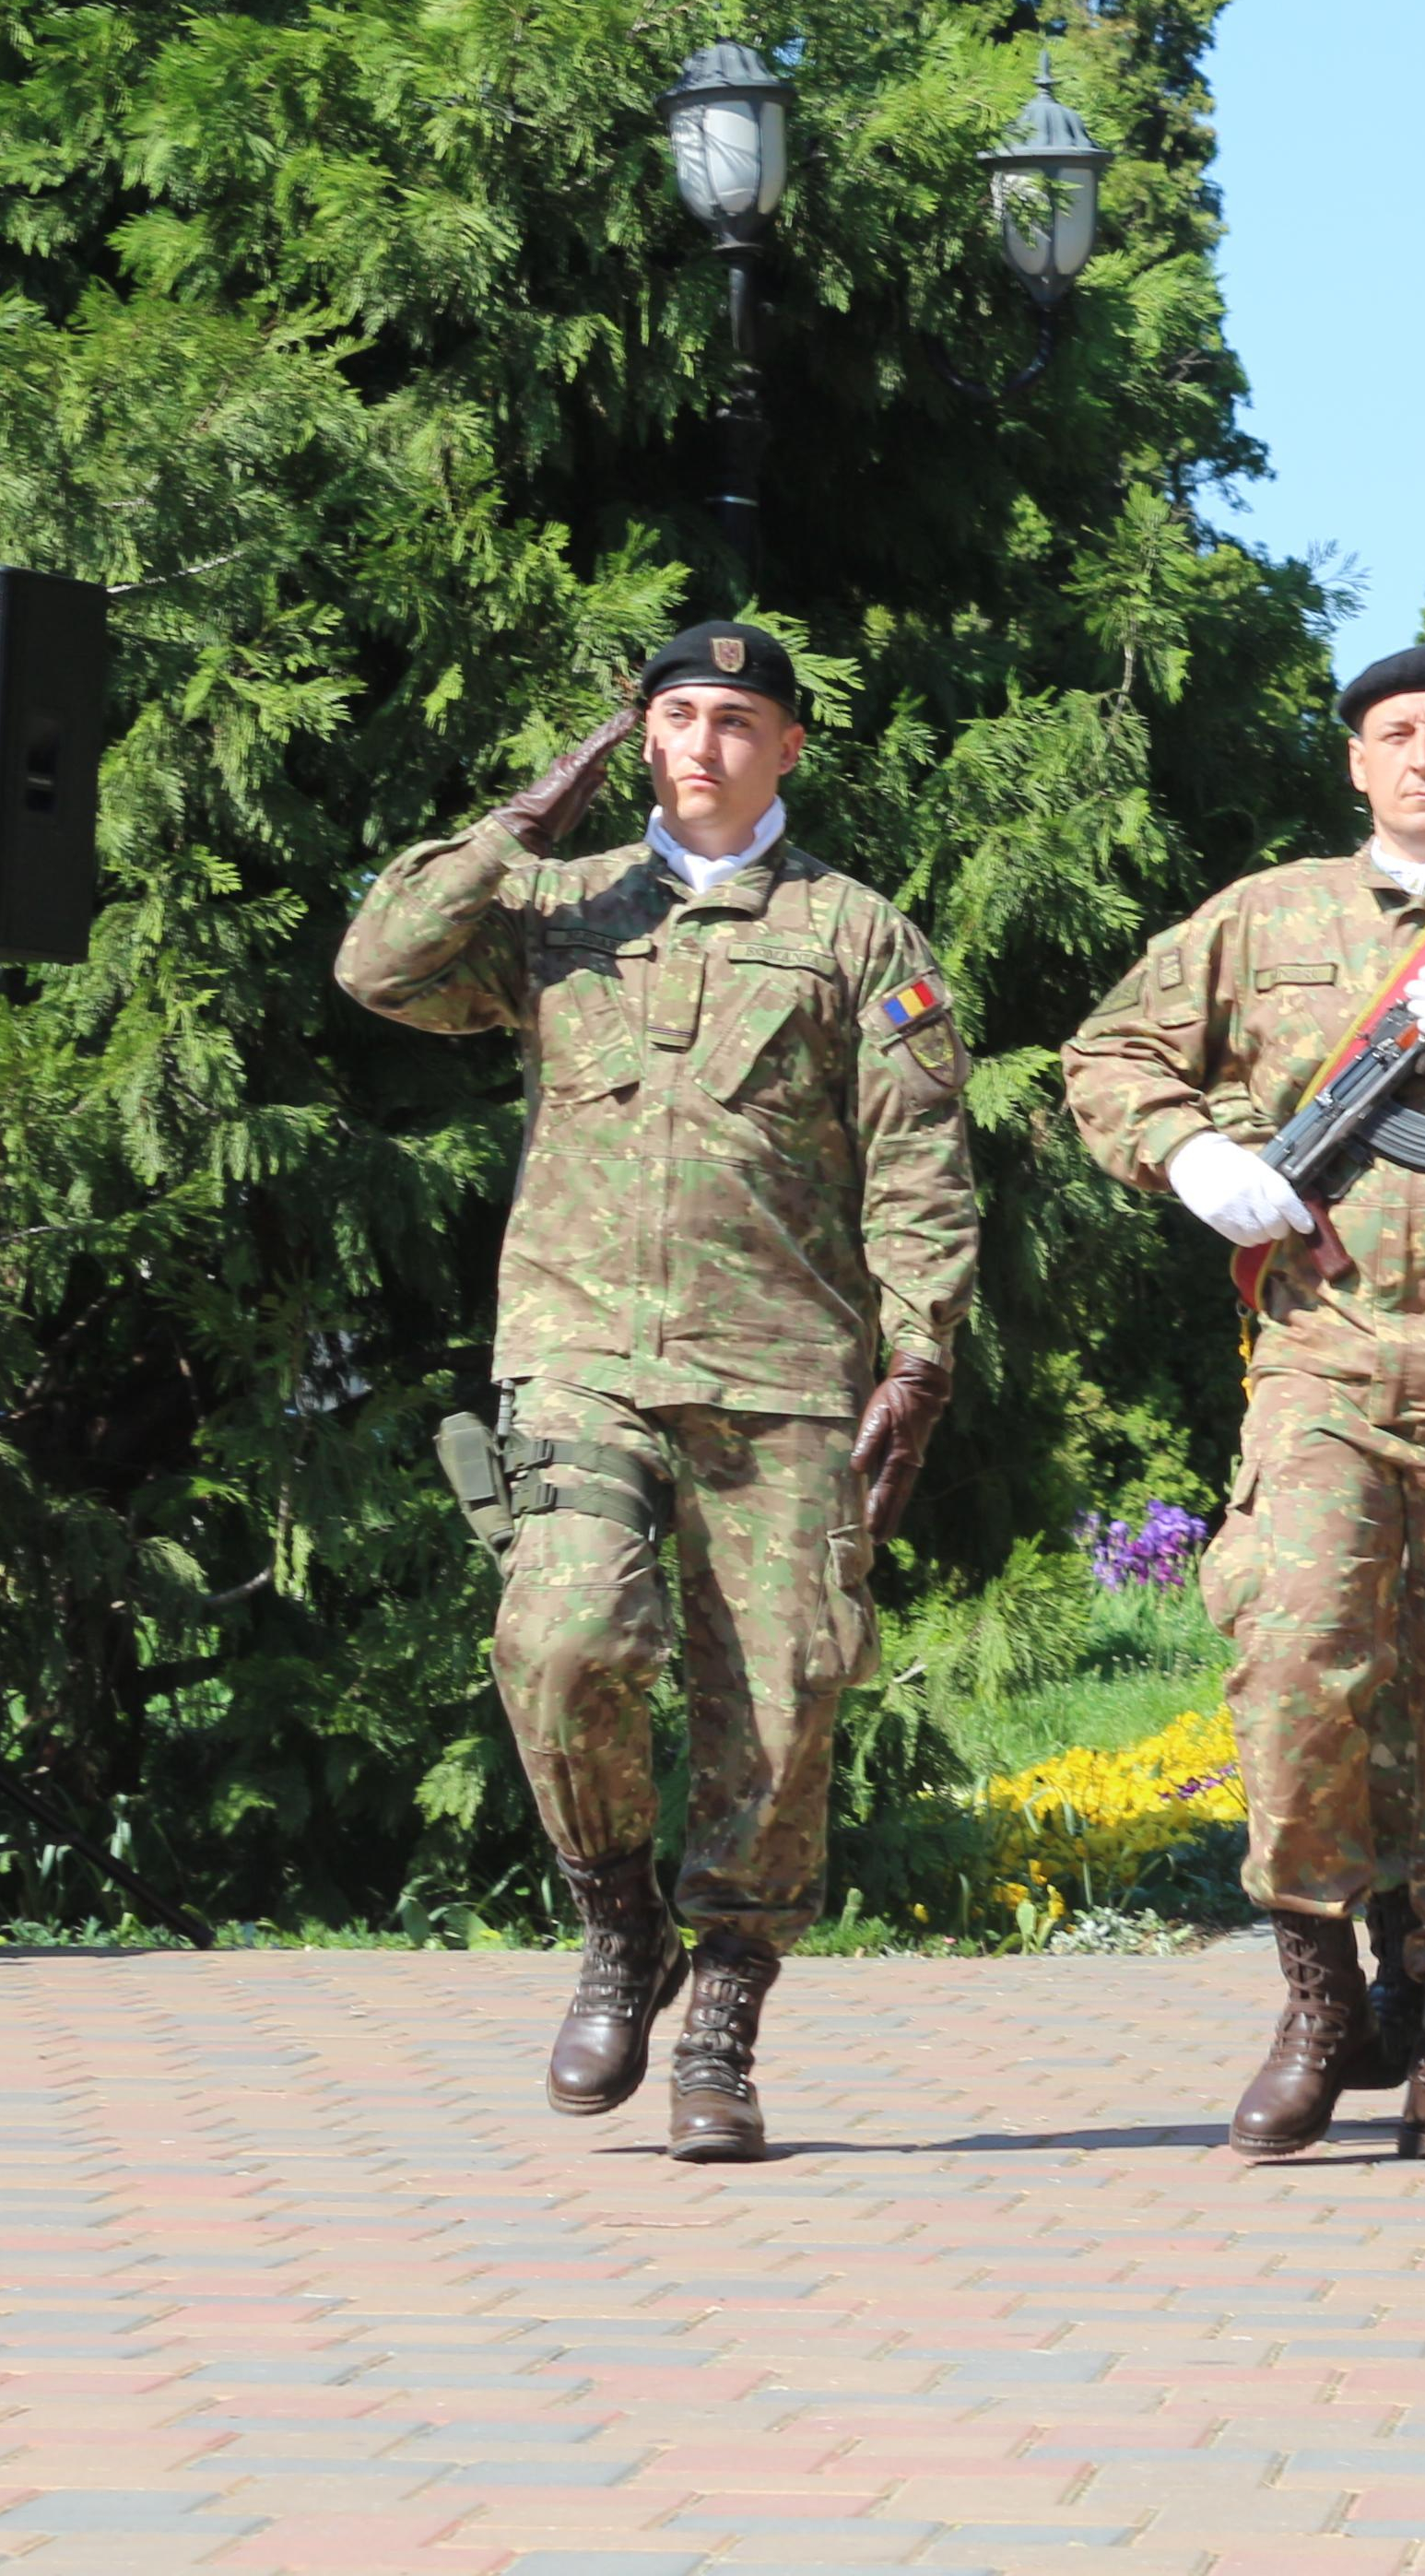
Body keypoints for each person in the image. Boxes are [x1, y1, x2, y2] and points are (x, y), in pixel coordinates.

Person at [336, 622, 977, 2160]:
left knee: (783, 1702)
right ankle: (617, 1921)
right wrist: (524, 818)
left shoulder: (858, 939)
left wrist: (920, 1353)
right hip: (578, 1353)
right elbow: (379, 966)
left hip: (782, 1377)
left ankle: (723, 2027)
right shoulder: (561, 905)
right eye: (675, 716)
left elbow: (919, 1168)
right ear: (640, 737)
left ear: (788, 750)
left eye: (737, 721)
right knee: (559, 1639)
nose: (702, 744)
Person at [1064, 640, 1425, 2173]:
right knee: (1298, 1653)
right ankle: (1318, 1999)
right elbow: (1112, 1052)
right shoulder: (1265, 917)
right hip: (1324, 1355)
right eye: (1395, 733)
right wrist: (1199, 1161)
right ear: (1353, 762)